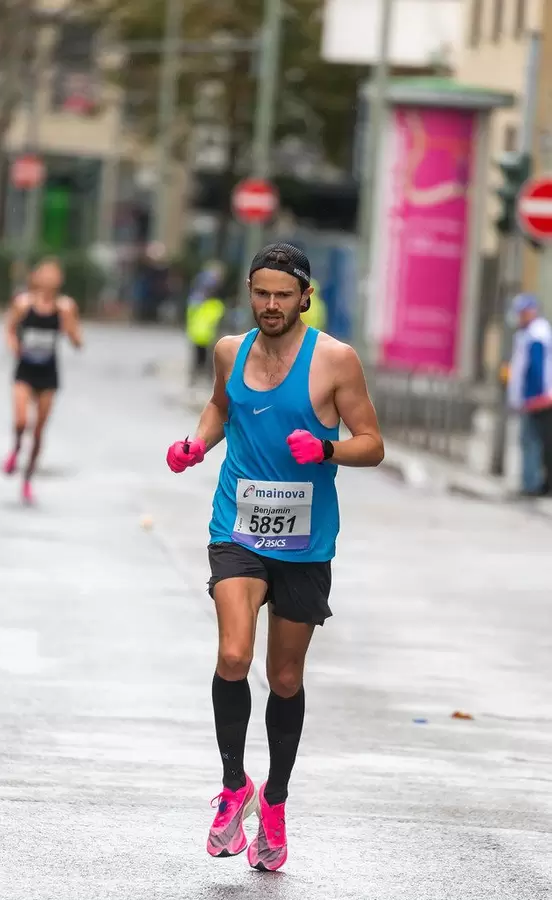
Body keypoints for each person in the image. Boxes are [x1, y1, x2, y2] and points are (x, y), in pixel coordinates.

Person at [166, 242, 384, 871]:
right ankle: (234, 786)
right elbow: (221, 405)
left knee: (285, 678)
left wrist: (327, 450)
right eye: (261, 293)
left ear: (304, 298)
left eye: (282, 295)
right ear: (249, 292)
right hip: (237, 528)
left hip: (304, 542)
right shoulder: (229, 351)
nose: (270, 305)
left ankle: (276, 799)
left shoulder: (336, 360)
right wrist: (197, 443)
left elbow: (372, 444)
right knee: (234, 655)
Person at [3, 258, 83, 504]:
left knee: (38, 430)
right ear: (36, 276)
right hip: (25, 369)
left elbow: (77, 341)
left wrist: (70, 329)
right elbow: (9, 330)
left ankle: (28, 478)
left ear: (60, 280)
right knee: (21, 421)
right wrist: (15, 346)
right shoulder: (23, 303)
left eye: (54, 274)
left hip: (48, 373)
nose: (49, 278)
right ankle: (17, 447)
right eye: (45, 273)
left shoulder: (65, 307)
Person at [508, 294, 552, 497]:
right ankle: (538, 483)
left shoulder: (537, 335)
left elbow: (537, 369)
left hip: (538, 399)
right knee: (539, 441)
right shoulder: (530, 333)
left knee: (532, 441)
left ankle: (532, 484)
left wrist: (534, 397)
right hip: (537, 398)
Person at [186, 261, 226, 385]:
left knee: (202, 358)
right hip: (203, 333)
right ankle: (200, 379)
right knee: (204, 358)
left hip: (201, 333)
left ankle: (197, 378)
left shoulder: (198, 298)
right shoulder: (211, 302)